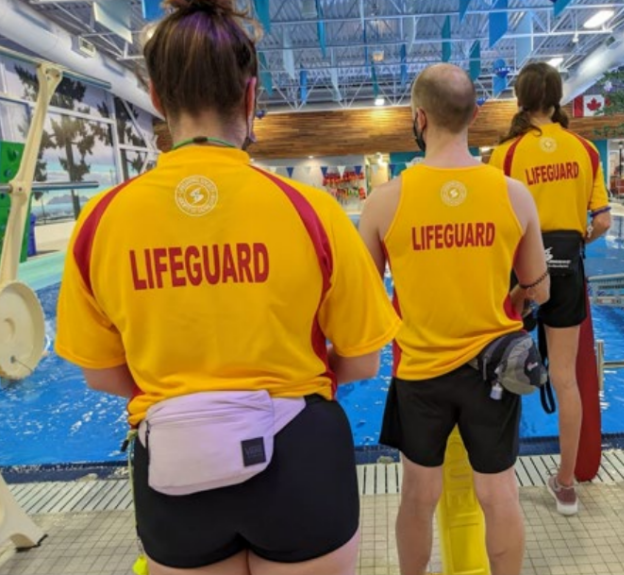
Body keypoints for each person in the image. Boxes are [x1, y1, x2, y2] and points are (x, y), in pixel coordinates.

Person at [54, 1, 401, 574]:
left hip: (174, 467)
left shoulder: (102, 221)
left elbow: (100, 372)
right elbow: (363, 361)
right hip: (299, 458)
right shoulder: (310, 211)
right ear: (250, 96)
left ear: (158, 99)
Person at [359, 63, 550, 575]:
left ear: (418, 118)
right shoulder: (513, 195)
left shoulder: (384, 202)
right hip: (494, 372)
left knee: (419, 495)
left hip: (420, 373)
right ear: (476, 115)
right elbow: (538, 287)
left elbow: (363, 302)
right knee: (497, 491)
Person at [489, 62, 612, 516]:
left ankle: (500, 478)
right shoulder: (584, 149)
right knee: (565, 379)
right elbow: (602, 220)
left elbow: (497, 224)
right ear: (557, 97)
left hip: (520, 274)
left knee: (504, 375)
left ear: (519, 99)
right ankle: (566, 484)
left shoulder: (505, 153)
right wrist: (576, 241)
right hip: (568, 272)